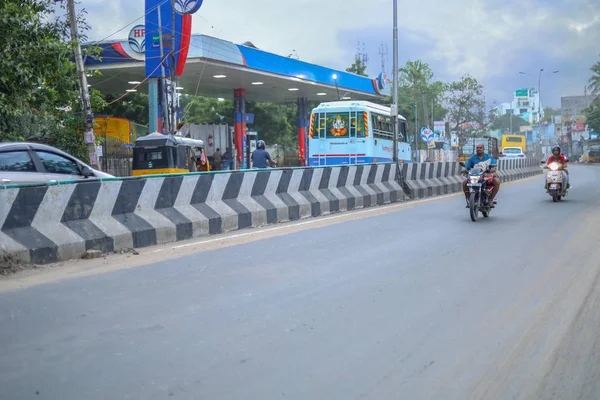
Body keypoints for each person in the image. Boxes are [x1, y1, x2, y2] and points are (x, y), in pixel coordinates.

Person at [462, 143, 500, 208]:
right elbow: (467, 167)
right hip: (475, 176)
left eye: (480, 148)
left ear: (483, 149)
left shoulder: (488, 157)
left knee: (497, 181)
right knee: (464, 183)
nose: (478, 149)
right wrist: (464, 169)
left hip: (486, 176)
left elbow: (493, 165)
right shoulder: (472, 158)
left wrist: (492, 169)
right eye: (477, 148)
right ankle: (469, 200)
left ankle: (490, 199)